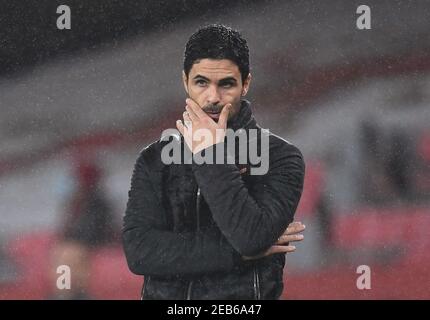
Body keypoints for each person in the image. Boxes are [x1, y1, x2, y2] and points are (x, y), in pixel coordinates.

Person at [122, 24, 305, 300]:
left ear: (246, 83)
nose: (213, 97)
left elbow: (250, 238)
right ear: (185, 81)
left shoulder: (281, 157)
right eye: (201, 82)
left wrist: (211, 153)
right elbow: (140, 253)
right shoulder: (154, 159)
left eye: (226, 84)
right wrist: (239, 253)